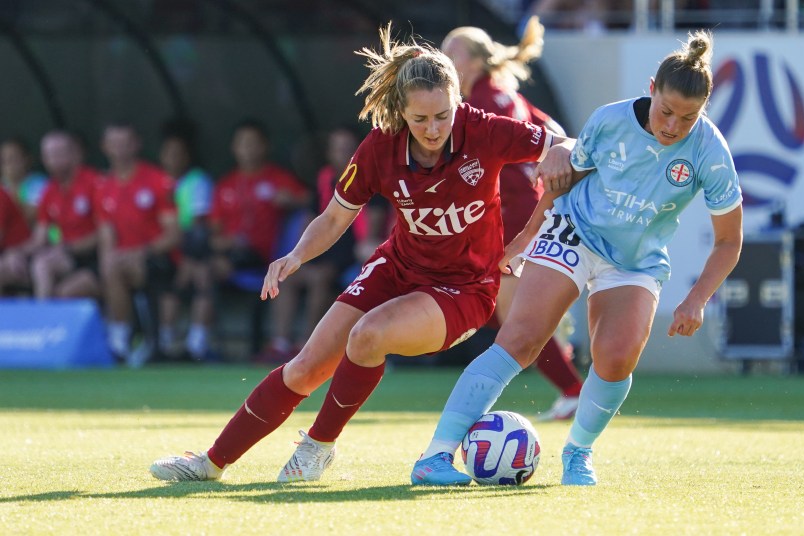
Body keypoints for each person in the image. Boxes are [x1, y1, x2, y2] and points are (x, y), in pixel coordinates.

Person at [149, 23, 573, 483]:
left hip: (464, 288)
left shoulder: (484, 128)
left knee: (368, 336)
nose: (433, 129)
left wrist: (539, 205)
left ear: (458, 101)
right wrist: (295, 256)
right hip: (397, 268)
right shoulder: (380, 147)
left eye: (443, 115)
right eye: (420, 119)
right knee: (305, 368)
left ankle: (318, 446)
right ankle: (210, 463)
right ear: (401, 111)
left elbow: (569, 148)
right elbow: (335, 217)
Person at [412, 29, 743, 486]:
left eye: (687, 118)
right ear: (651, 89)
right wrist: (527, 236)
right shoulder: (610, 120)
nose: (672, 126)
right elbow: (564, 178)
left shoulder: (711, 151)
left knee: (616, 358)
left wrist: (696, 299)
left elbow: (729, 241)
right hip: (573, 232)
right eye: (666, 111)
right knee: (520, 339)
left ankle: (578, 453)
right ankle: (435, 455)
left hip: (634, 260)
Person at [442, 17, 585, 421]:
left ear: (474, 62)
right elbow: (554, 132)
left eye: (452, 52)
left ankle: (574, 389)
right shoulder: (504, 95)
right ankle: (561, 356)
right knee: (497, 311)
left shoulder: (481, 103)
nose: (445, 59)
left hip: (512, 217)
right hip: (519, 214)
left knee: (512, 321)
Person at [255, 125, 390, 364]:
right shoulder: (324, 180)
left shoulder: (372, 181)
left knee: (320, 278)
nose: (343, 154)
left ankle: (307, 347)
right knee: (286, 277)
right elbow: (313, 221)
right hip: (322, 251)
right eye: (337, 149)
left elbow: (370, 235)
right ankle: (280, 343)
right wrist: (297, 255)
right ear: (329, 153)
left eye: (348, 149)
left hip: (352, 255)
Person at [208, 118, 310, 360]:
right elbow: (213, 236)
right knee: (205, 269)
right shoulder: (226, 184)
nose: (248, 149)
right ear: (234, 148)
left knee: (282, 272)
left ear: (265, 146)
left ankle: (280, 344)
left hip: (268, 256)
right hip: (235, 256)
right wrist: (227, 243)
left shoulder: (279, 178)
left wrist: (292, 201)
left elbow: (311, 202)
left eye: (253, 143)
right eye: (243, 143)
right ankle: (203, 342)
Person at [95, 122, 180, 364]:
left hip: (160, 259)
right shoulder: (103, 187)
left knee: (116, 267)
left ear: (136, 145)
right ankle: (123, 340)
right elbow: (106, 237)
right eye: (114, 143)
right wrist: (108, 261)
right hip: (122, 263)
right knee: (109, 267)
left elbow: (173, 235)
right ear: (104, 147)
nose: (120, 149)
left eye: (125, 143)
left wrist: (137, 253)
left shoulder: (158, 180)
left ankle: (123, 341)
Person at [156, 124, 216, 360]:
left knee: (199, 273)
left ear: (188, 156)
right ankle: (163, 342)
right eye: (168, 152)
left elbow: (199, 227)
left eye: (178, 153)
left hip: (190, 250)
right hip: (163, 251)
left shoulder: (197, 181)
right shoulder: (156, 181)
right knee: (175, 278)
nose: (173, 158)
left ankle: (196, 345)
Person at [22, 130, 101, 300]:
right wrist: (17, 253)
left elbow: (104, 233)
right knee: (30, 265)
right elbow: (40, 238)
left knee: (51, 277)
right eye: (49, 155)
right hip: (68, 257)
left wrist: (68, 248)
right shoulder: (49, 191)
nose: (54, 160)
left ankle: (43, 316)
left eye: (59, 153)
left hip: (95, 258)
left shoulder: (94, 183)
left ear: (75, 154)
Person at [1, 137, 48, 226]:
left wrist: (12, 183)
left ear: (27, 159)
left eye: (13, 158)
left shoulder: (40, 183)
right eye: (4, 159)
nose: (8, 163)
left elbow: (30, 216)